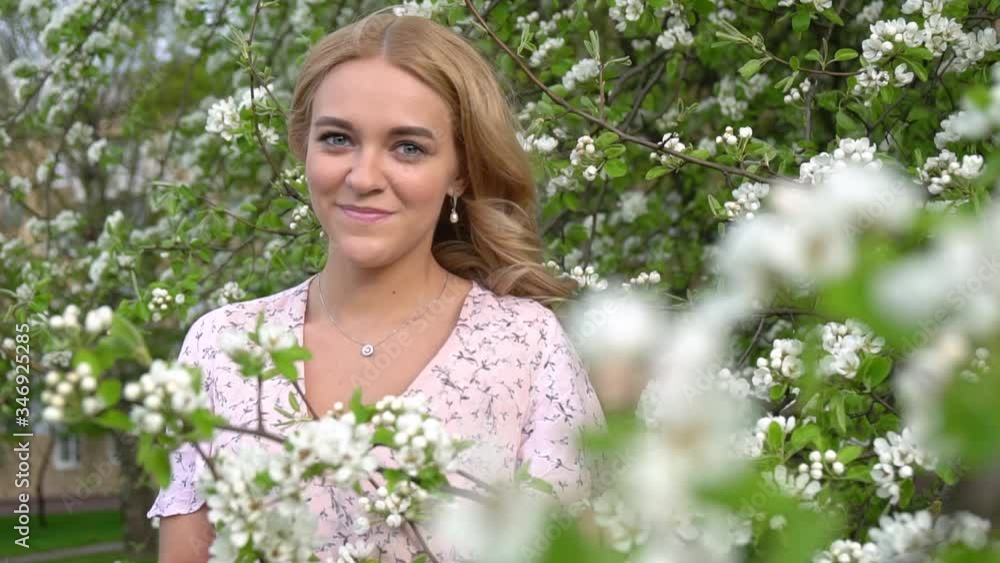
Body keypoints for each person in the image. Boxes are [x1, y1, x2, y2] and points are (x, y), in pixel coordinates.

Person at [150, 11, 605, 562]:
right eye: (338, 139)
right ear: (304, 147)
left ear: (459, 171)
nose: (364, 178)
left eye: (408, 147)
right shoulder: (222, 347)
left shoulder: (526, 346)